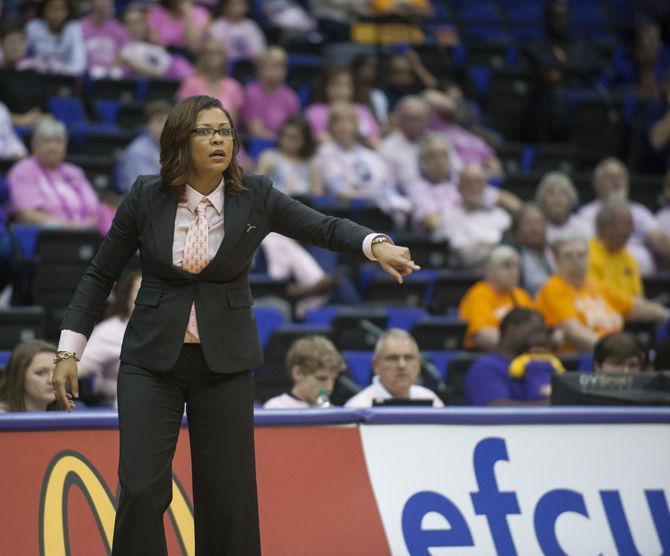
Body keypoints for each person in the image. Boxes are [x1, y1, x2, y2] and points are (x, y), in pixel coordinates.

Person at [51, 94, 419, 555]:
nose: (218, 139)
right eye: (205, 131)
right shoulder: (147, 195)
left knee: (229, 501)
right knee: (143, 490)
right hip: (151, 363)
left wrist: (375, 242)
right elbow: (100, 274)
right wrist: (69, 350)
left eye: (224, 130)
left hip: (223, 365)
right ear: (181, 141)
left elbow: (321, 226)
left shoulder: (256, 196)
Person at [535, 236, 669, 352]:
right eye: (568, 256)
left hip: (616, 352)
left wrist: (666, 315)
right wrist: (613, 351)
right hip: (585, 359)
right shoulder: (553, 288)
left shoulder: (595, 284)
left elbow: (633, 307)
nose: (575, 260)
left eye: (581, 255)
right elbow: (574, 332)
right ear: (557, 262)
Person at [311, 101, 411, 224]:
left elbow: (386, 186)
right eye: (338, 122)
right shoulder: (326, 151)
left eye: (349, 122)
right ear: (331, 126)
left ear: (356, 125)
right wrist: (370, 198)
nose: (344, 127)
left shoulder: (371, 155)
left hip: (378, 213)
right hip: (345, 215)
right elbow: (337, 189)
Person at [6, 118, 112, 233]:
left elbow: (94, 207)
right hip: (49, 236)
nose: (53, 147)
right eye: (47, 141)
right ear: (34, 145)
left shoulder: (74, 171)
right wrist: (70, 227)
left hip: (85, 235)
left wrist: (89, 225)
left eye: (58, 141)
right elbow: (26, 215)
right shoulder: (23, 170)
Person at [407, 134, 518, 235]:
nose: (439, 160)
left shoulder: (460, 181)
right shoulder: (418, 188)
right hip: (449, 240)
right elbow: (433, 222)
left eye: (443, 155)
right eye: (433, 156)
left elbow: (502, 198)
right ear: (423, 161)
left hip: (477, 232)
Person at [578, 157, 670, 275]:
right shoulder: (586, 214)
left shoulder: (640, 211)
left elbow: (660, 240)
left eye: (620, 177)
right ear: (597, 184)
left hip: (646, 277)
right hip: (604, 274)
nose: (616, 182)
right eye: (610, 177)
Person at [464, 308, 563, 406]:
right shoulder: (486, 367)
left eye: (543, 333)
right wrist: (547, 406)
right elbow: (495, 409)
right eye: (535, 331)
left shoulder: (541, 365)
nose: (540, 338)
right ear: (511, 329)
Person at [77, 270, 142, 407]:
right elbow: (79, 368)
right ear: (127, 298)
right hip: (117, 405)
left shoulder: (176, 329)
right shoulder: (109, 331)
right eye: (141, 292)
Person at [458, 245, 535, 351]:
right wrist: (523, 342)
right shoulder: (479, 294)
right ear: (490, 269)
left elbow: (536, 331)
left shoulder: (521, 295)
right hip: (486, 357)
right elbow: (485, 337)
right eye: (507, 265)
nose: (514, 271)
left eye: (517, 266)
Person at [437, 164, 512, 269]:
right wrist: (499, 244)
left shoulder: (501, 215)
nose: (474, 187)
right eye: (468, 183)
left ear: (486, 186)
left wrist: (482, 246)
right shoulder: (450, 216)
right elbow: (466, 257)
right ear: (459, 188)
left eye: (479, 182)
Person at [344, 329, 443, 408]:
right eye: (393, 358)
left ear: (418, 364)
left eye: (409, 358)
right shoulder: (358, 407)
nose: (402, 365)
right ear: (376, 365)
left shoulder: (431, 400)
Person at [304, 66, 381, 145]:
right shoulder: (314, 112)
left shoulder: (362, 111)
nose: (341, 90)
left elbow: (374, 140)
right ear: (325, 88)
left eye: (346, 85)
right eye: (335, 85)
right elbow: (312, 138)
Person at [263, 335, 344, 408]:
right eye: (321, 378)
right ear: (297, 373)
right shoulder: (275, 408)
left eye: (333, 379)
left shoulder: (329, 409)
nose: (329, 387)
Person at [177, 35, 244, 123]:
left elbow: (232, 122)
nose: (213, 57)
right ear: (202, 57)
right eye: (209, 53)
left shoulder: (234, 87)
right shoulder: (190, 83)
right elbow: (184, 118)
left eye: (217, 53)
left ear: (224, 57)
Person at [119, 4, 194, 80]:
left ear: (145, 24)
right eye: (130, 23)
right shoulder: (125, 50)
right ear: (124, 26)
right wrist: (167, 72)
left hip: (175, 75)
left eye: (138, 22)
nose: (135, 27)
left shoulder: (156, 44)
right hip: (155, 85)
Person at [240, 46, 300, 140]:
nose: (276, 71)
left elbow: (296, 129)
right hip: (257, 145)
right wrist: (284, 141)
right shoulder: (251, 93)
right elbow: (257, 132)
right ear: (259, 69)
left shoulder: (290, 95)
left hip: (285, 146)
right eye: (271, 66)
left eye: (280, 66)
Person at [588, 198, 644, 298]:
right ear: (608, 227)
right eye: (626, 224)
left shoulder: (628, 259)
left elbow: (637, 297)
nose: (631, 230)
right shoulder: (586, 255)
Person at [117, 100, 172, 193]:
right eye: (160, 121)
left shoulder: (175, 148)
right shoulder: (138, 150)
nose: (165, 126)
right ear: (148, 125)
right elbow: (144, 191)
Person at [255, 115, 319, 196]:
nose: (286, 140)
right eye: (284, 135)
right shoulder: (269, 157)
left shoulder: (311, 164)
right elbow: (257, 186)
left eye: (293, 137)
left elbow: (317, 193)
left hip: (303, 205)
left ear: (305, 140)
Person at [25, 0, 87, 76]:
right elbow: (23, 56)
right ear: (43, 10)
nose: (56, 14)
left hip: (66, 77)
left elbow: (79, 62)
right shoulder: (33, 27)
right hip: (38, 76)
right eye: (51, 9)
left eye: (61, 9)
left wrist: (63, 70)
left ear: (68, 11)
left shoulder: (74, 27)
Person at [0, 340, 57, 412]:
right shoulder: (3, 417)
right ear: (19, 377)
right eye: (40, 373)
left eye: (58, 372)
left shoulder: (67, 414)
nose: (52, 380)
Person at [534, 170, 589, 243]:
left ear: (571, 198)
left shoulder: (585, 226)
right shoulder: (535, 228)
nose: (556, 198)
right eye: (551, 192)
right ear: (542, 199)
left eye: (562, 193)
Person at [79, 0, 128, 79]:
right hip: (87, 76)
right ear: (91, 3)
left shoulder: (118, 28)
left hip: (112, 76)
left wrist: (110, 68)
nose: (102, 3)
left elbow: (124, 53)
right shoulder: (80, 27)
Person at [513, 203, 554, 295]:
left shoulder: (554, 251)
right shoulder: (512, 255)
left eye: (538, 222)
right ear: (517, 227)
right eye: (528, 223)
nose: (534, 228)